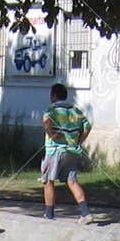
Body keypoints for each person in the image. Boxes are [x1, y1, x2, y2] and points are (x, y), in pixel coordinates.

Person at [40, 82, 91, 222]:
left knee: (48, 181)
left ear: (54, 95)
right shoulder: (75, 110)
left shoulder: (52, 109)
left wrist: (51, 134)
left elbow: (45, 120)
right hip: (72, 151)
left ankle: (49, 215)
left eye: (51, 95)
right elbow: (87, 126)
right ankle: (86, 213)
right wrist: (79, 141)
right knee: (72, 181)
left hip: (55, 150)